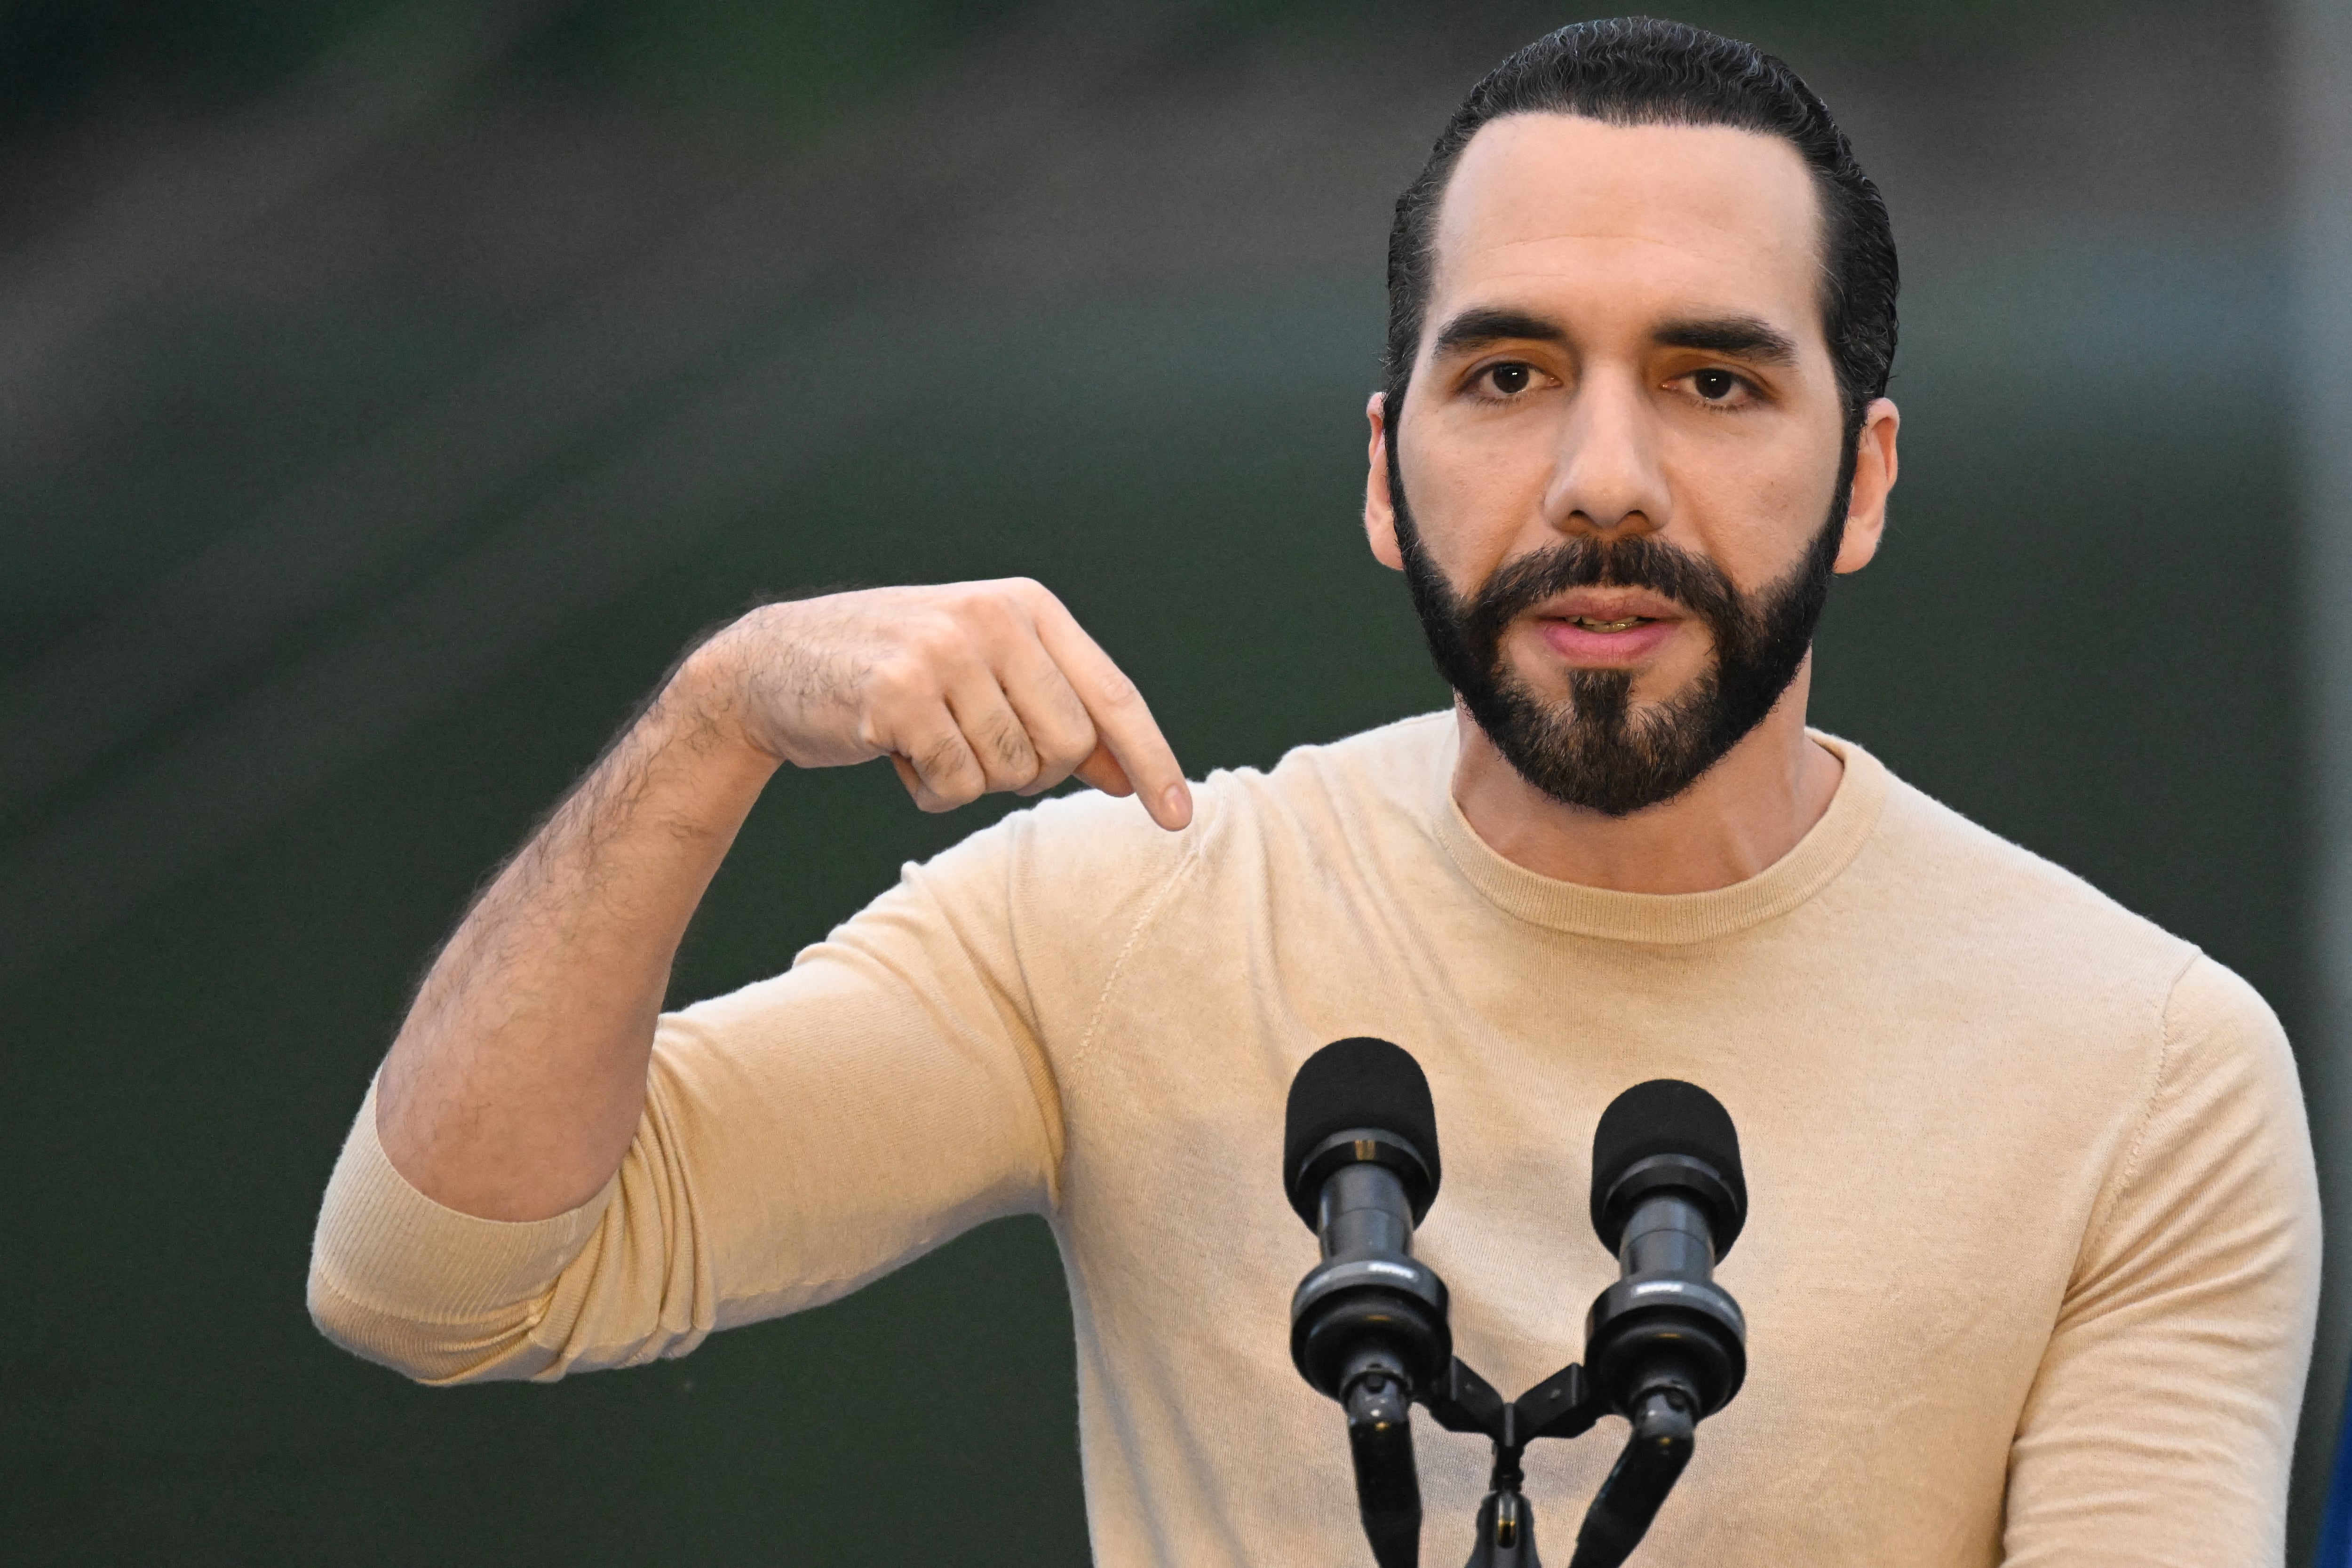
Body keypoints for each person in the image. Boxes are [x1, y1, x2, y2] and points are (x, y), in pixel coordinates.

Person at [308, 17, 2320, 1564]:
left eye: (1711, 381)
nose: (1598, 479)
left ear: (1864, 477)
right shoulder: (1127, 916)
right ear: (1382, 472)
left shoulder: (2138, 1066)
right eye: (1505, 376)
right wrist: (716, 717)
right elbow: (436, 1280)